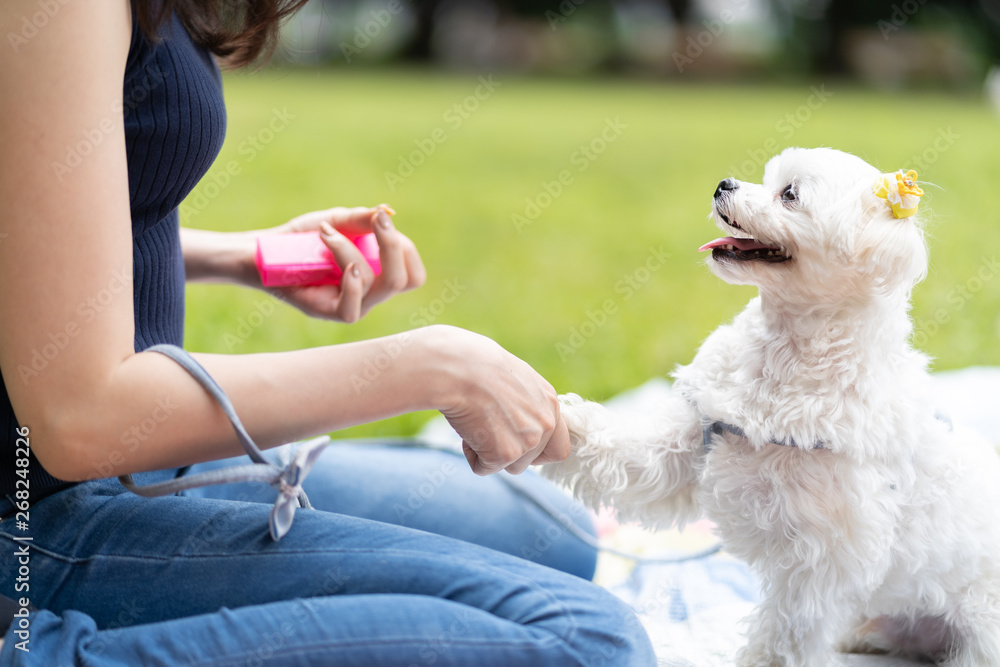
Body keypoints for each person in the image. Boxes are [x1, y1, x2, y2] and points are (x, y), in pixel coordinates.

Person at [0, 0, 657, 664]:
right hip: (33, 513)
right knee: (582, 640)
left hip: (136, 464)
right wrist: (435, 366)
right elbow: (80, 417)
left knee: (552, 530)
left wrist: (240, 256)